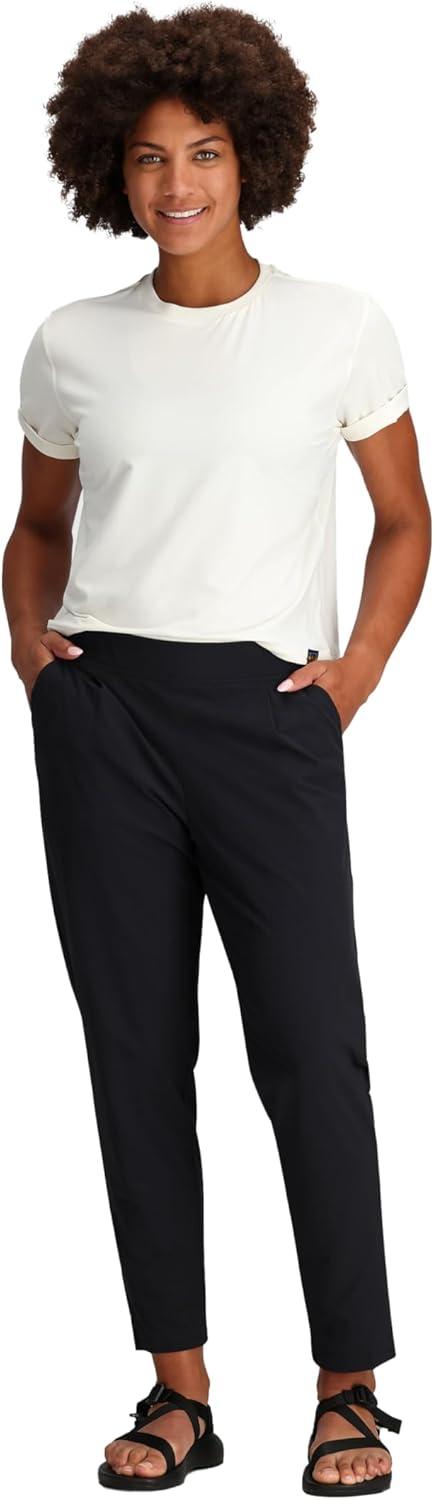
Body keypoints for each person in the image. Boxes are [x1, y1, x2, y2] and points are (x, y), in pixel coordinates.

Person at [4, 6, 431, 1494]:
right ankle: (177, 1387)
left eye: (201, 152)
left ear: (252, 159)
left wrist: (355, 672)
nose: (175, 182)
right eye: (146, 157)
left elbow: (403, 519)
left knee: (313, 1047)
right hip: (104, 716)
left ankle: (349, 1384)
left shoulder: (337, 325)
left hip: (267, 716)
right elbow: (39, 525)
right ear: (108, 170)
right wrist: (35, 654)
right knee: (135, 1051)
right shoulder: (73, 342)